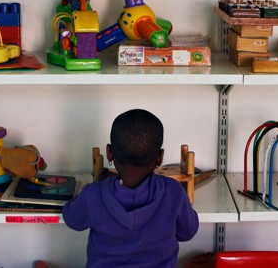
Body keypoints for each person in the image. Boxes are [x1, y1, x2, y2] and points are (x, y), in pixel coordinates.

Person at [62, 109, 199, 268]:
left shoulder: (94, 194)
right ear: (160, 157)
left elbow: (72, 219)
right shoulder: (173, 191)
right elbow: (188, 231)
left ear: (109, 153)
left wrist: (97, 184)